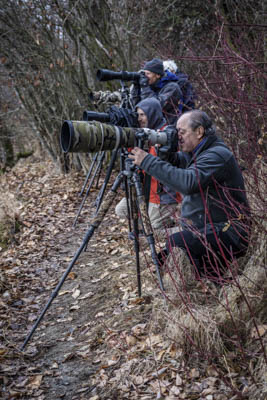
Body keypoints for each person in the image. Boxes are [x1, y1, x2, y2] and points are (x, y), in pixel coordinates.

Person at [129, 110, 251, 281]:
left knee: (177, 242)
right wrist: (166, 152)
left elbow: (188, 183)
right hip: (211, 227)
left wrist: (148, 161)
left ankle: (208, 280)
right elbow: (179, 161)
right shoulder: (198, 152)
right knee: (169, 250)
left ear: (199, 132)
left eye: (182, 132)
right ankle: (210, 274)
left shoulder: (217, 155)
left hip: (231, 231)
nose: (178, 137)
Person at [115, 97, 182, 230]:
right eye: (137, 115)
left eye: (143, 115)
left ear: (153, 114)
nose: (139, 119)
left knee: (154, 228)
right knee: (121, 210)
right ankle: (145, 222)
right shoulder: (140, 133)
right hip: (145, 191)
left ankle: (178, 226)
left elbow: (166, 163)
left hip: (163, 195)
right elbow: (131, 157)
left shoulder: (166, 134)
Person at [131, 58, 183, 126]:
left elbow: (155, 106)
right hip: (151, 128)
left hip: (168, 128)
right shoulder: (150, 87)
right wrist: (136, 87)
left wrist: (145, 87)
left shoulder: (172, 88)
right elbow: (138, 107)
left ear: (158, 75)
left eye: (148, 74)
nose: (145, 77)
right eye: (144, 74)